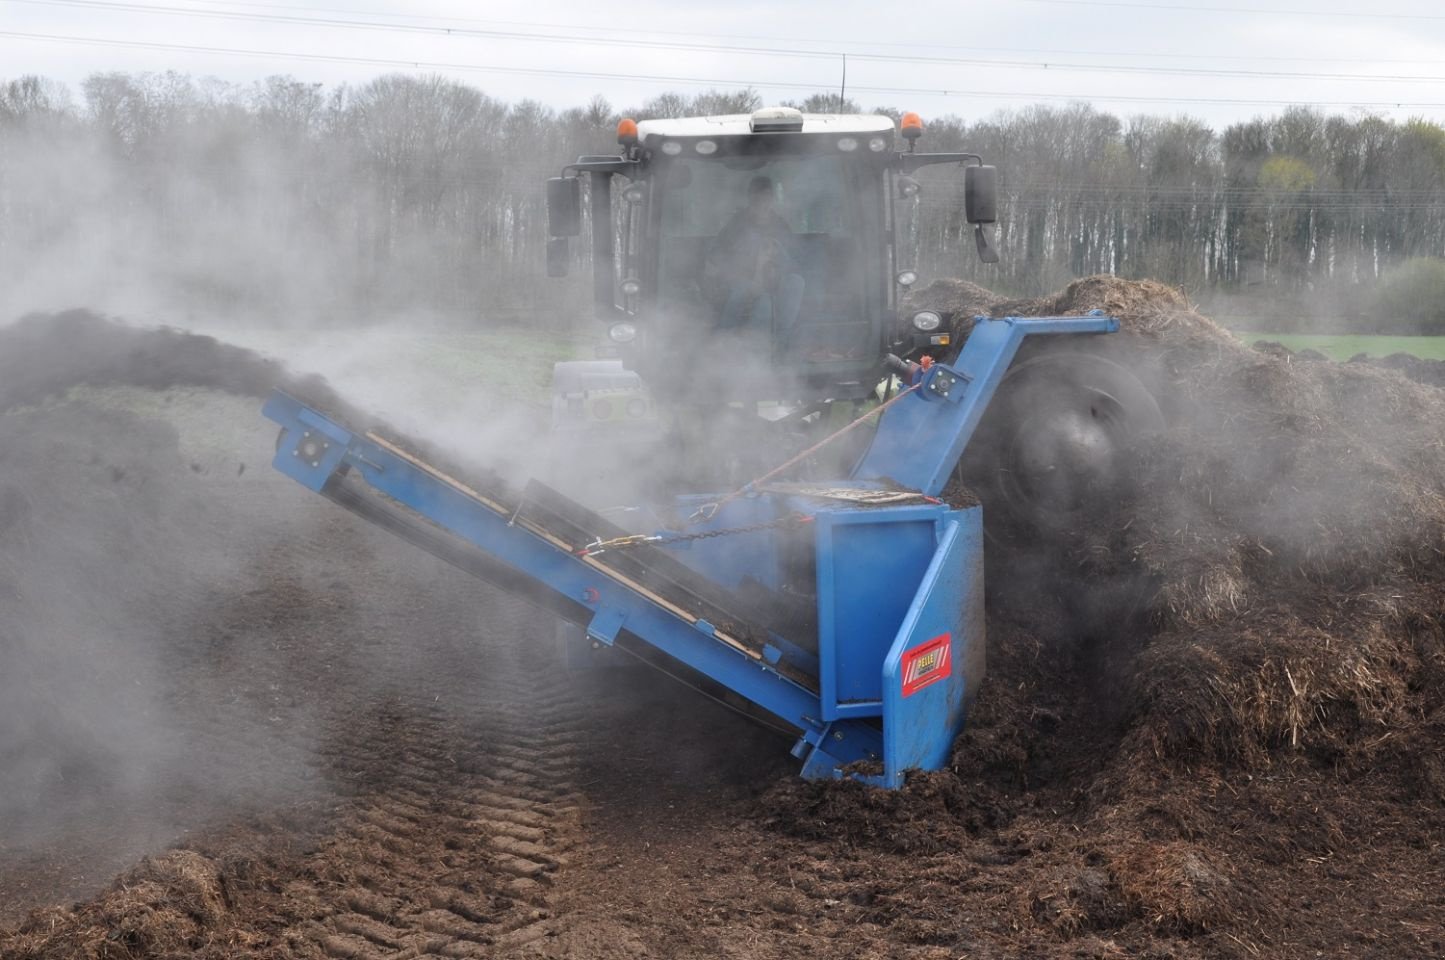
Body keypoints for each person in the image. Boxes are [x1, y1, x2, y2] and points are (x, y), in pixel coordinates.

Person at [703, 175, 805, 337]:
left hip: (776, 279)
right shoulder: (736, 224)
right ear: (750, 198)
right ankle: (724, 339)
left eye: (766, 197)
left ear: (772, 199)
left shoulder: (781, 225)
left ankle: (782, 337)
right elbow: (717, 255)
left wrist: (775, 253)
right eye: (757, 198)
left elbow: (795, 257)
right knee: (747, 294)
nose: (762, 203)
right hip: (743, 279)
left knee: (796, 282)